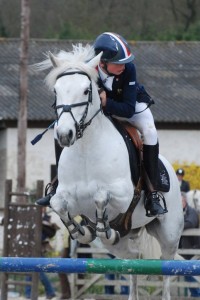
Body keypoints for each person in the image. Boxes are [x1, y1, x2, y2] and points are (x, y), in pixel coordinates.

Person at [36, 32, 167, 217]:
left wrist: (107, 103)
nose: (123, 65)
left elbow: (128, 109)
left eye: (124, 62)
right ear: (102, 63)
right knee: (60, 127)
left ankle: (153, 193)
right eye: (118, 62)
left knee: (150, 131)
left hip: (128, 104)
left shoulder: (128, 69)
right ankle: (56, 186)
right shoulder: (90, 69)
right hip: (100, 109)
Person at [25, 209, 57, 299]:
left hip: (39, 248)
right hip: (31, 246)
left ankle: (50, 291)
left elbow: (50, 233)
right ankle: (28, 294)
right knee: (29, 269)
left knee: (39, 271)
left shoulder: (47, 218)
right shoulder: (34, 217)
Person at [179, 192, 200, 297]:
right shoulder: (177, 212)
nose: (179, 202)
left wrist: (176, 225)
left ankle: (196, 294)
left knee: (191, 272)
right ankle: (195, 294)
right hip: (183, 251)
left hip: (193, 249)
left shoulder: (192, 212)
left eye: (181, 200)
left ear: (185, 200)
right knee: (187, 273)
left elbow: (191, 223)